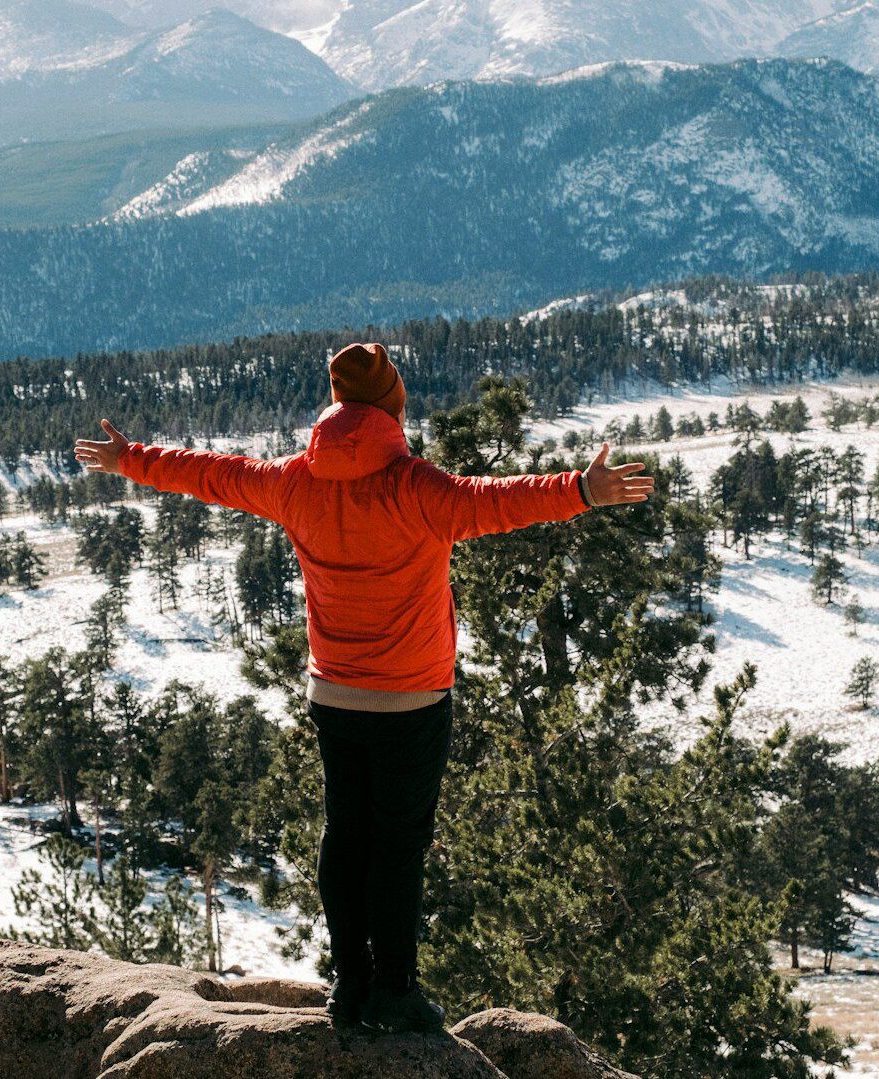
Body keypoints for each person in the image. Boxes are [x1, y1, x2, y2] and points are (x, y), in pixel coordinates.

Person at [74, 342, 652, 1032]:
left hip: (334, 697)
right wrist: (583, 490)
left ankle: (350, 986)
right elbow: (499, 502)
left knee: (345, 836)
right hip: (412, 699)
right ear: (392, 406)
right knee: (398, 845)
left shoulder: (296, 481)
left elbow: (215, 476)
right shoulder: (416, 487)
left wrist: (130, 458)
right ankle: (396, 989)